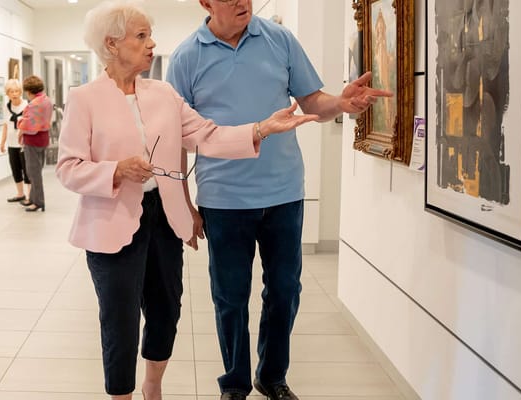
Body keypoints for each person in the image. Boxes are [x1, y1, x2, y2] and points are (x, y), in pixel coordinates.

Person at [56, 1, 318, 399]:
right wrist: (114, 170)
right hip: (110, 222)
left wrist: (261, 128)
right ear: (111, 44)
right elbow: (68, 167)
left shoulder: (162, 94)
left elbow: (208, 135)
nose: (152, 44)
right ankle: (121, 395)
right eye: (141, 36)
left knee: (166, 312)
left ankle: (152, 386)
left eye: (150, 35)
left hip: (162, 217)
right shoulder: (84, 98)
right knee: (120, 320)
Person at [166, 1, 393, 399]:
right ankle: (234, 383)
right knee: (230, 297)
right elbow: (174, 140)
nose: (243, 2)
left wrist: (339, 103)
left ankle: (271, 376)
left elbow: (312, 102)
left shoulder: (280, 39)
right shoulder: (186, 57)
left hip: (284, 192)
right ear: (205, 2)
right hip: (224, 199)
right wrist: (183, 205)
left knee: (285, 289)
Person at [17, 75, 52, 212]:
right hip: (43, 139)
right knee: (36, 171)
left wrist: (20, 120)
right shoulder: (47, 100)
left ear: (30, 91)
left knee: (33, 172)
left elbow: (28, 125)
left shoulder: (34, 104)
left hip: (33, 140)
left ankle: (38, 202)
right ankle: (32, 198)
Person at [0, 79, 30, 203]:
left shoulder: (27, 105)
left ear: (21, 92)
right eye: (11, 91)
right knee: (15, 169)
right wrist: (2, 142)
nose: (14, 94)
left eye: (16, 91)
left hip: (24, 143)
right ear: (7, 93)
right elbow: (6, 126)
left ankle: (30, 196)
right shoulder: (7, 107)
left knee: (27, 170)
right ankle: (20, 193)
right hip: (12, 143)